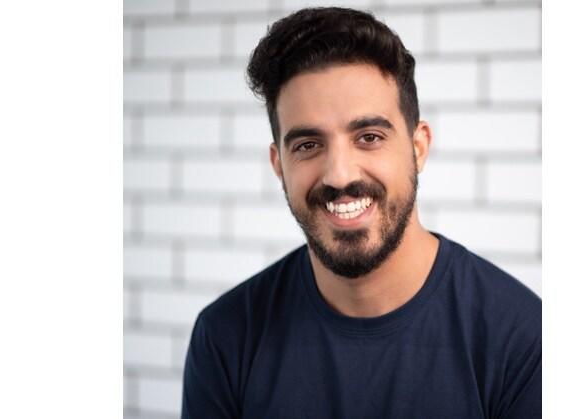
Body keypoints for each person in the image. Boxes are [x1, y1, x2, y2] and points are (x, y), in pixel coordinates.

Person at [181, 7, 540, 418]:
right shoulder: (226, 336)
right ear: (279, 165)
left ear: (418, 148)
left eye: (369, 137)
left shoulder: (522, 340)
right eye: (308, 145)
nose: (339, 175)